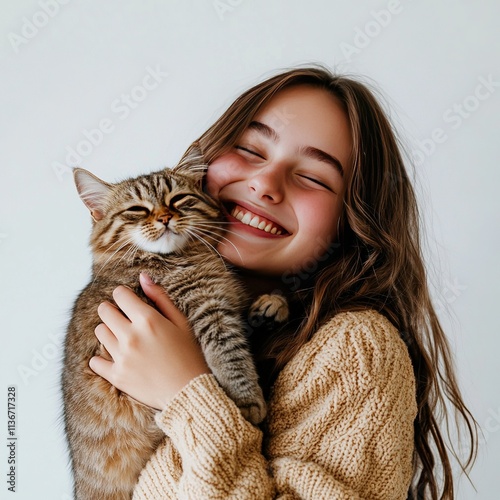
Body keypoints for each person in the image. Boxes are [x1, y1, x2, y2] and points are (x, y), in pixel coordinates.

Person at [89, 66, 478, 499]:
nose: (264, 184)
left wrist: (187, 396)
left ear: (353, 221)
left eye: (312, 177)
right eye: (251, 150)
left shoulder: (358, 349)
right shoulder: (153, 316)